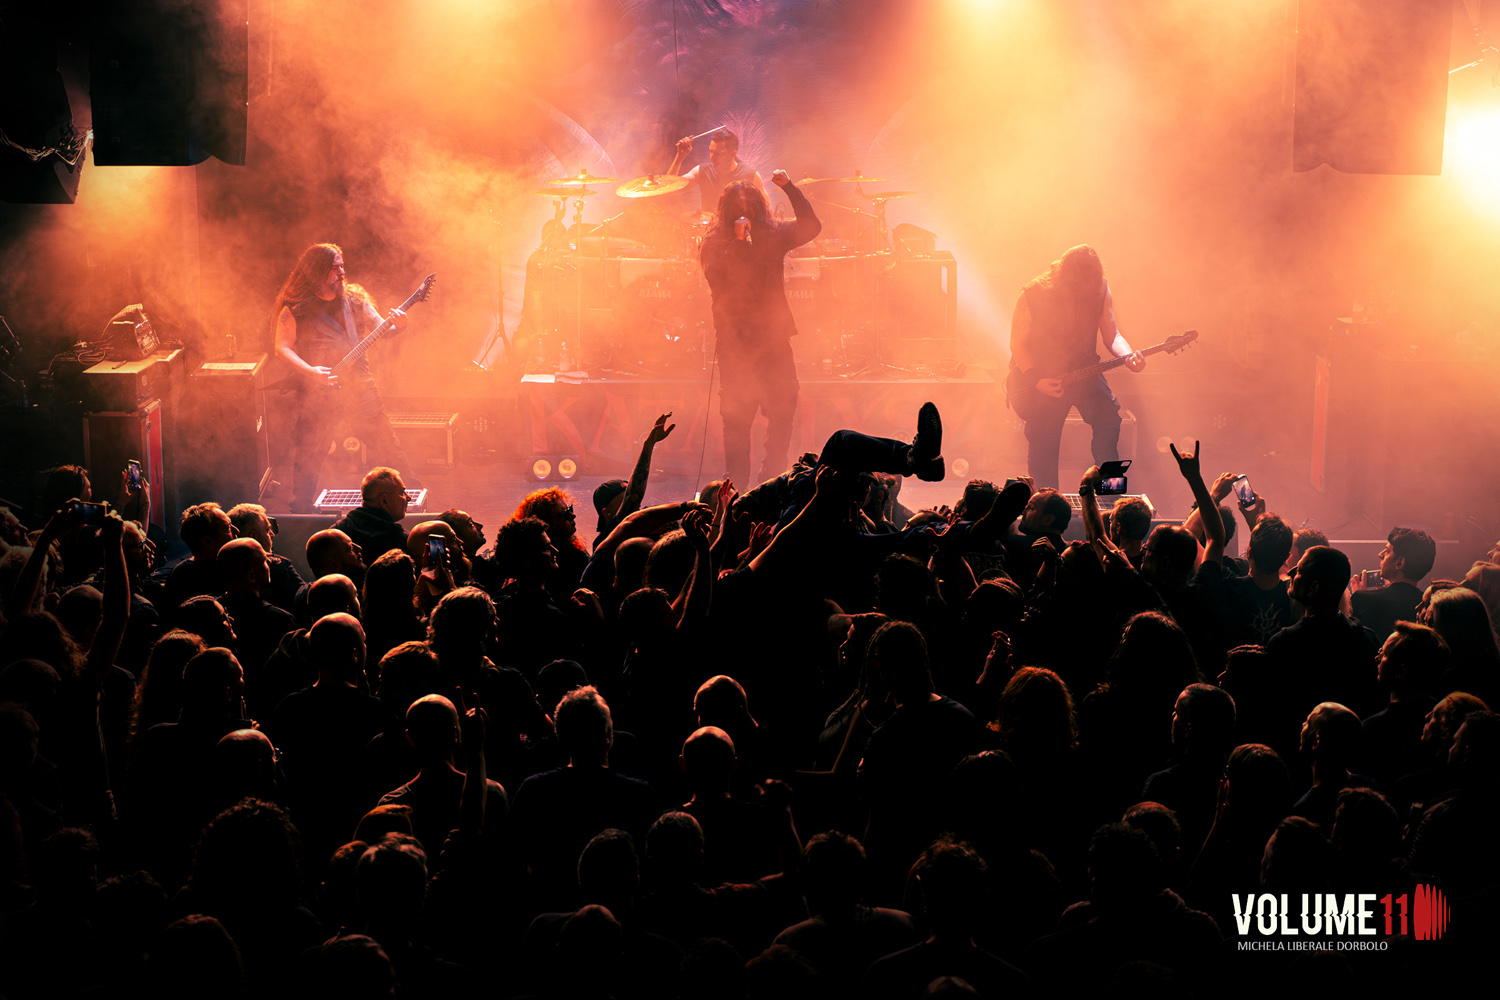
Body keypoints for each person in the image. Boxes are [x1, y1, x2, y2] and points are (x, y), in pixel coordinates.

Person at [271, 243, 416, 513]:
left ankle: (411, 499)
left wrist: (400, 326)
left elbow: (382, 329)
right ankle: (301, 511)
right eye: (334, 267)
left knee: (387, 447)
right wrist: (311, 371)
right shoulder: (296, 308)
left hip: (359, 388)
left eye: (342, 265)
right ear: (316, 270)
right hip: (317, 391)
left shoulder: (356, 299)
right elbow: (282, 347)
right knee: (309, 454)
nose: (341, 272)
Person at [700, 169, 820, 488]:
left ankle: (772, 476)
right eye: (738, 207)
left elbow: (811, 226)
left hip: (773, 339)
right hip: (736, 342)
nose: (744, 212)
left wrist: (790, 188)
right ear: (727, 212)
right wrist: (739, 242)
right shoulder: (714, 242)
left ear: (758, 207)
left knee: (784, 404)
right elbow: (716, 279)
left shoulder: (772, 235)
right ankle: (735, 484)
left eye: (749, 205)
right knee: (736, 417)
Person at [1007, 245, 1145, 489]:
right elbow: (1017, 343)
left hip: (1085, 371)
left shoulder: (1100, 288)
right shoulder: (1033, 292)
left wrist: (1128, 355)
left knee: (1109, 421)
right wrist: (1036, 379)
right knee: (1043, 438)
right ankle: (1045, 498)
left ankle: (1110, 491)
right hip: (1045, 376)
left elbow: (1112, 335)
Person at [1351, 526, 1438, 642]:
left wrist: (1357, 598)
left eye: (1387, 551)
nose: (1380, 554)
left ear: (1399, 563)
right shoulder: (1429, 607)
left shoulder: (1362, 599)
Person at [666, 129, 768, 212]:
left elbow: (767, 210)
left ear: (732, 154)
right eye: (711, 152)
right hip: (710, 230)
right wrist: (679, 157)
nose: (712, 158)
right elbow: (669, 189)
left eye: (718, 154)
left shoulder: (750, 176)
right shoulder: (702, 171)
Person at [332, 467, 410, 567]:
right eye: (402, 493)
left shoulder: (336, 535)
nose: (409, 498)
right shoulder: (403, 543)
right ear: (384, 500)